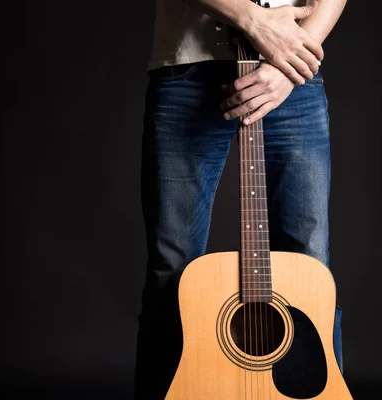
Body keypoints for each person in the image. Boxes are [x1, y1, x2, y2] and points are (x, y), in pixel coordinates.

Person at [135, 0, 347, 398]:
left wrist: (292, 58)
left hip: (292, 72)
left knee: (311, 271)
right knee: (172, 271)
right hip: (187, 65)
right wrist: (252, 19)